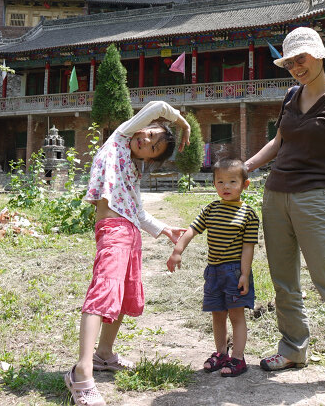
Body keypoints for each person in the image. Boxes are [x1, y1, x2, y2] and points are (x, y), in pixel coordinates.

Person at [245, 27, 325, 398]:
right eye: (291, 61)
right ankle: (293, 349)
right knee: (283, 281)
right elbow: (279, 141)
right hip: (275, 196)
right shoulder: (290, 96)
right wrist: (246, 166)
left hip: (315, 199)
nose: (297, 66)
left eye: (302, 58)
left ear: (320, 56)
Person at [65, 101, 191, 406]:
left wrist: (165, 230)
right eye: (149, 133)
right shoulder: (119, 140)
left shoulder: (132, 171)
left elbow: (139, 213)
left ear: (150, 158)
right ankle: (81, 371)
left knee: (122, 297)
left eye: (154, 146)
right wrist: (182, 123)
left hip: (131, 233)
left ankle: (104, 355)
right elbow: (157, 106)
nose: (146, 139)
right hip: (112, 231)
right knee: (103, 293)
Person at [167, 158, 259, 378]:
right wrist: (177, 250)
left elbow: (248, 248)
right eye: (220, 182)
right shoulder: (211, 209)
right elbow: (191, 230)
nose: (225, 187)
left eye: (232, 182)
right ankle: (221, 353)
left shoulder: (248, 215)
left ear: (245, 185)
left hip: (234, 271)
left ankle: (238, 357)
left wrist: (245, 274)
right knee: (217, 315)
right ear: (214, 183)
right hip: (214, 271)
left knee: (236, 316)